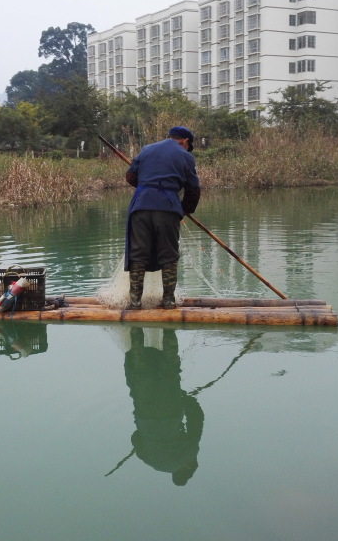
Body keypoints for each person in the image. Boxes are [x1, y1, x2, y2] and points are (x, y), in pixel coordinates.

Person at [124, 126, 201, 310]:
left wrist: (145, 185)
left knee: (137, 254)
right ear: (185, 142)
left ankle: (134, 303)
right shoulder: (186, 157)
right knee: (169, 255)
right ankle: (168, 301)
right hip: (168, 207)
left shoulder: (147, 149)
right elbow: (193, 189)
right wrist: (184, 209)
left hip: (140, 206)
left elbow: (130, 176)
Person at [125, 327, 203, 486]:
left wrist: (184, 398)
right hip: (144, 413)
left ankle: (168, 325)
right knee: (140, 369)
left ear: (186, 468)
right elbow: (135, 438)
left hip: (170, 411)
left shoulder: (188, 457)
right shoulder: (151, 461)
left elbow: (196, 419)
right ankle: (134, 324)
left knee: (169, 368)